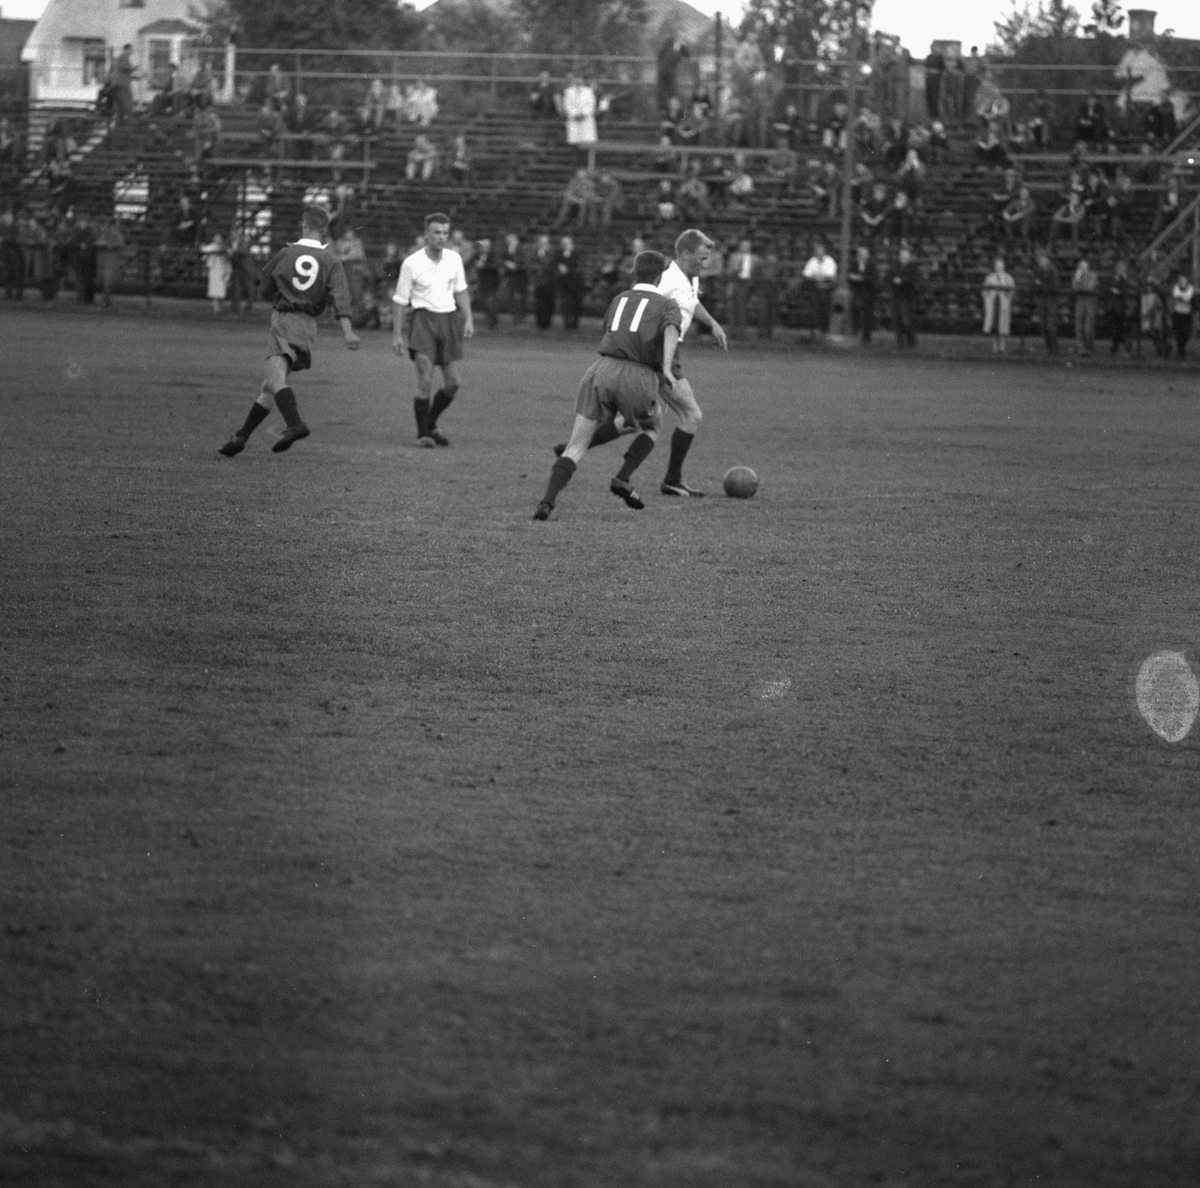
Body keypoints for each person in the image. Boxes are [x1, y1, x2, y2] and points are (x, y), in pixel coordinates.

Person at [533, 250, 682, 521]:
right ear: (660, 276)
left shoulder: (619, 299)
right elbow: (672, 329)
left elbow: (609, 331)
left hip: (601, 369)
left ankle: (547, 501)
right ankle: (623, 478)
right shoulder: (667, 304)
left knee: (576, 446)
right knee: (652, 424)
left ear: (634, 274)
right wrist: (668, 367)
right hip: (638, 373)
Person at [217, 205, 359, 458]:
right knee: (269, 386)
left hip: (285, 320)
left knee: (276, 380)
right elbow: (341, 297)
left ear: (304, 224)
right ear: (324, 230)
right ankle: (240, 437)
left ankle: (295, 424)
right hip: (308, 328)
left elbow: (265, 287)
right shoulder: (332, 261)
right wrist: (348, 332)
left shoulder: (286, 253)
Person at [392, 212, 475, 448]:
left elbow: (461, 290)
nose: (441, 237)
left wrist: (468, 318)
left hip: (448, 320)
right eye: (436, 232)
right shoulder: (412, 263)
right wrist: (397, 334)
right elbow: (399, 300)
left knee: (453, 383)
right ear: (426, 234)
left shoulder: (454, 259)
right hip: (422, 320)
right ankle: (423, 434)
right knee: (425, 376)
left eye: (445, 233)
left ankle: (430, 423)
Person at [982, 255, 1016, 353]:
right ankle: (995, 345)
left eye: (1000, 265)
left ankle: (1002, 345)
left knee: (1002, 325)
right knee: (993, 325)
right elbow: (984, 291)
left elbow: (1012, 291)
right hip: (993, 303)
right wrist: (987, 300)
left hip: (1003, 303)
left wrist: (1007, 296)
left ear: (1004, 266)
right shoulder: (989, 277)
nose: (998, 267)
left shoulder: (1008, 278)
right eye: (997, 265)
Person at [803, 241, 837, 337]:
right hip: (815, 289)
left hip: (827, 289)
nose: (819, 253)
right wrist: (818, 278)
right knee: (813, 308)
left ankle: (824, 330)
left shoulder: (830, 261)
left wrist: (818, 277)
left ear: (824, 252)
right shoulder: (812, 261)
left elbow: (830, 276)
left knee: (824, 309)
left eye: (820, 251)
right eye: (817, 251)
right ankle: (814, 331)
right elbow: (806, 274)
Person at [1030, 249, 1060, 355]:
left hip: (1051, 300)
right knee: (1043, 326)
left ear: (1047, 259)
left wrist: (1041, 285)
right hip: (1042, 300)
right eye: (1039, 259)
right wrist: (1040, 285)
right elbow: (1034, 285)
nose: (1041, 260)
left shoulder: (1052, 270)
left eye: (1043, 258)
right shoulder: (1037, 270)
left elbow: (1054, 286)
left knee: (1050, 326)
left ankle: (1054, 349)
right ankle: (1049, 348)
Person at [847, 245, 878, 345]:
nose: (862, 256)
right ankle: (855, 331)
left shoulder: (872, 265)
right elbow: (850, 277)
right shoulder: (854, 264)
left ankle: (866, 337)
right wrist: (857, 278)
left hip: (868, 294)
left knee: (868, 317)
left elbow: (872, 279)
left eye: (864, 254)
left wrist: (860, 278)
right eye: (860, 254)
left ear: (868, 255)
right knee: (854, 310)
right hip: (857, 293)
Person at [890, 245, 920, 349]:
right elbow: (888, 277)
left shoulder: (913, 267)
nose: (904, 258)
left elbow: (914, 280)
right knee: (897, 320)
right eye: (902, 256)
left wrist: (901, 281)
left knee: (906, 320)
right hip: (897, 296)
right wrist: (893, 281)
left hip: (907, 297)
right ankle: (900, 343)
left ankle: (910, 340)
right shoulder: (895, 266)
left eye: (906, 256)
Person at [555, 235, 585, 330]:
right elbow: (554, 262)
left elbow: (577, 265)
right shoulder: (559, 253)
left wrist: (567, 258)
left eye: (567, 243)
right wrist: (559, 265)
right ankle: (567, 323)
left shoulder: (576, 253)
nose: (566, 245)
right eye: (564, 243)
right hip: (564, 283)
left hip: (576, 283)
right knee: (565, 304)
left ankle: (575, 324)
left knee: (576, 304)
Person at [1072, 257, 1099, 355]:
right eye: (1080, 266)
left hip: (1090, 302)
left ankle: (1089, 347)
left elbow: (1089, 288)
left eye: (1083, 266)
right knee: (1078, 324)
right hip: (1080, 301)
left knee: (1088, 327)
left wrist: (1080, 284)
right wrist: (1078, 279)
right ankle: (1081, 348)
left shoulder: (1093, 275)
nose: (1081, 268)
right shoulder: (1077, 276)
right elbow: (1074, 288)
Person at [200, 232, 232, 315]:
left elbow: (230, 254)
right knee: (214, 289)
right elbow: (203, 249)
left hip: (223, 269)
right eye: (216, 238)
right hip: (214, 269)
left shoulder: (225, 247)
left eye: (219, 238)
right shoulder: (211, 246)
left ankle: (220, 307)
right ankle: (216, 308)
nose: (217, 240)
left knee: (222, 290)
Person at [500, 232, 528, 324]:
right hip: (510, 277)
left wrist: (515, 265)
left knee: (520, 298)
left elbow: (524, 261)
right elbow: (500, 258)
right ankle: (514, 316)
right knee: (510, 297)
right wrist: (506, 263)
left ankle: (521, 317)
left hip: (521, 277)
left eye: (511, 240)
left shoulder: (522, 248)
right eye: (508, 241)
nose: (509, 242)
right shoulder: (505, 249)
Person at [1107, 258, 1132, 355]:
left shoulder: (1125, 279)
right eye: (1118, 267)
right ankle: (1124, 343)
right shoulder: (1111, 277)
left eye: (1122, 268)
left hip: (1120, 307)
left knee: (1118, 328)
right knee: (1114, 328)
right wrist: (1111, 290)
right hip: (1111, 306)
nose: (1120, 269)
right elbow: (1104, 286)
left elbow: (1126, 291)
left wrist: (1123, 284)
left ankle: (1115, 347)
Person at [1168, 271, 1195, 359]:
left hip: (1186, 313)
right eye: (1180, 279)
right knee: (1178, 332)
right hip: (1178, 312)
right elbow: (1176, 295)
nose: (1182, 281)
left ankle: (1182, 349)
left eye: (1184, 279)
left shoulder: (1190, 288)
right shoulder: (1176, 287)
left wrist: (1181, 297)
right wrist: (1182, 297)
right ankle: (1180, 351)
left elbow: (1187, 298)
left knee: (1185, 333)